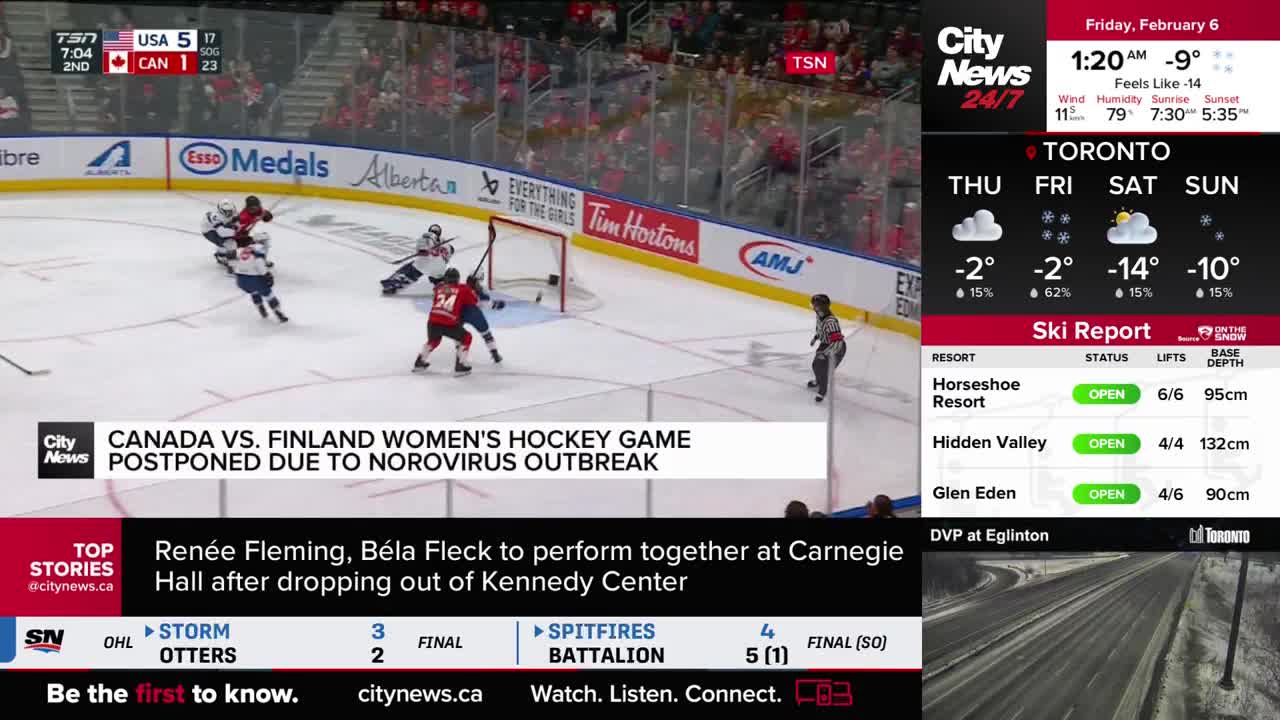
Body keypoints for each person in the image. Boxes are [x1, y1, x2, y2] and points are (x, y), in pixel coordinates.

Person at [413, 268, 499, 375]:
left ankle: (419, 361)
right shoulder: (463, 289)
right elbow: (476, 301)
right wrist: (472, 289)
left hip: (432, 321)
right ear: (458, 279)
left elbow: (439, 293)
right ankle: (461, 364)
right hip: (448, 321)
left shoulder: (439, 288)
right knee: (466, 337)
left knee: (434, 341)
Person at [231, 231, 288, 323]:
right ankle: (278, 312)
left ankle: (260, 307)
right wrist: (267, 274)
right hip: (254, 279)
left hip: (240, 279)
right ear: (261, 241)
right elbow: (259, 262)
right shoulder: (259, 248)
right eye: (266, 241)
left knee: (254, 292)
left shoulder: (246, 248)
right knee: (269, 295)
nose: (267, 244)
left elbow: (242, 262)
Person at [381, 223, 452, 295]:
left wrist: (423, 250)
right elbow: (449, 254)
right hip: (440, 267)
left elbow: (423, 248)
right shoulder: (447, 245)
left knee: (410, 269)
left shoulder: (428, 235)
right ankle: (442, 287)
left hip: (425, 263)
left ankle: (392, 285)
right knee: (438, 278)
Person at [808, 293, 845, 402]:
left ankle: (822, 391)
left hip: (836, 349)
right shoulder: (819, 315)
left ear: (821, 307)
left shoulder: (831, 322)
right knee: (815, 365)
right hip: (825, 344)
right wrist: (815, 338)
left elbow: (837, 342)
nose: (813, 307)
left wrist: (825, 353)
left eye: (815, 305)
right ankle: (819, 381)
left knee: (824, 370)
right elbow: (820, 330)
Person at [200, 199, 239, 272]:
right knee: (230, 243)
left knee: (229, 239)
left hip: (219, 227)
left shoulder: (233, 212)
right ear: (220, 210)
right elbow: (222, 232)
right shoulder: (216, 216)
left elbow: (237, 223)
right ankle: (231, 267)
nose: (229, 213)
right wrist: (237, 232)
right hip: (209, 230)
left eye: (230, 211)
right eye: (226, 211)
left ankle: (221, 254)